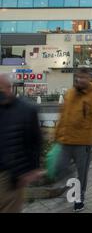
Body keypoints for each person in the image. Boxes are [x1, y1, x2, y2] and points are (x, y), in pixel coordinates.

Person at [54, 68, 92, 212]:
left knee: (82, 173)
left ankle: (79, 199)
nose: (81, 80)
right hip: (66, 140)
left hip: (83, 142)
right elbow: (63, 115)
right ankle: (71, 185)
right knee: (60, 167)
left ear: (89, 78)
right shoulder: (70, 93)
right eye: (79, 77)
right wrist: (57, 134)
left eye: (84, 77)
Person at [0, 74, 43, 213]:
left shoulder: (26, 110)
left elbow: (35, 141)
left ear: (9, 88)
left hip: (11, 178)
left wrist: (33, 168)